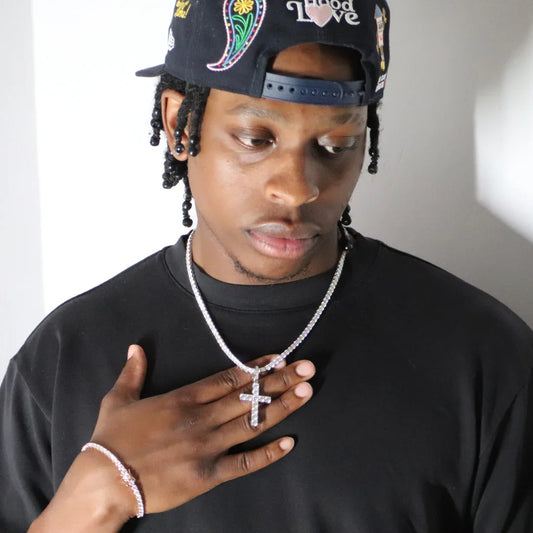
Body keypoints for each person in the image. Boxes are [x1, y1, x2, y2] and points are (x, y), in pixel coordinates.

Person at [1, 1, 532, 531]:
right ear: (179, 126)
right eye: (256, 139)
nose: (298, 189)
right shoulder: (62, 359)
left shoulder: (483, 356)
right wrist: (96, 497)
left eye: (337, 145)